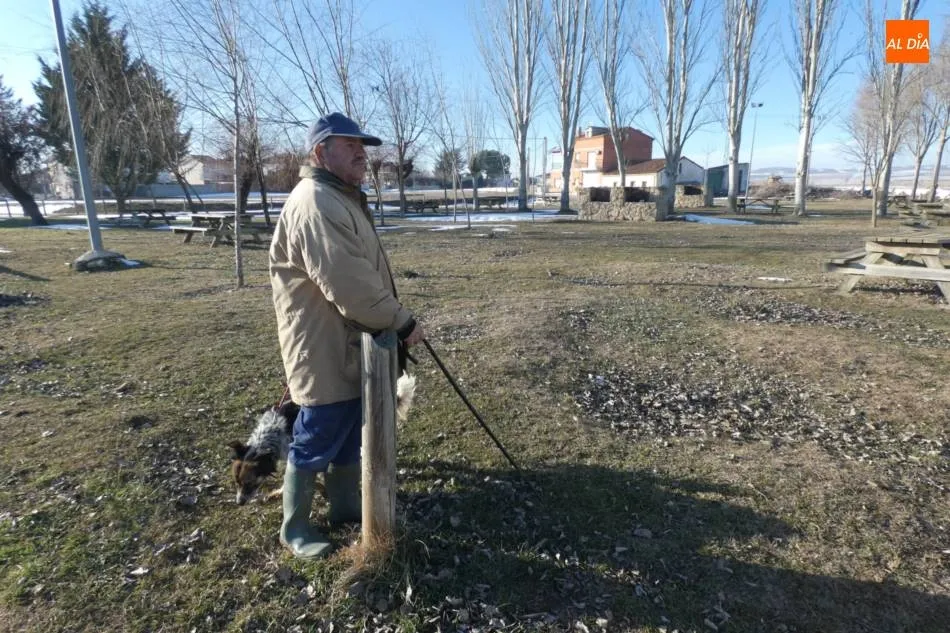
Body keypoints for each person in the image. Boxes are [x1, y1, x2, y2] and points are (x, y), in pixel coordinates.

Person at [269, 112, 424, 559]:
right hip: (321, 345)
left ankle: (342, 507)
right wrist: (402, 321)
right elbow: (350, 284)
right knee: (318, 431)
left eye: (362, 145)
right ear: (320, 152)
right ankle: (294, 527)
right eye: (348, 144)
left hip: (348, 342)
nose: (360, 152)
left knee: (348, 427)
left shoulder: (340, 197)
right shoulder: (316, 202)